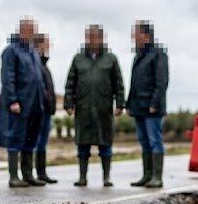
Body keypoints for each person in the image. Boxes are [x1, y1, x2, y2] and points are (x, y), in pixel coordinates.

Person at [64, 25, 125, 187]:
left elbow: (118, 83)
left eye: (95, 37)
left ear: (101, 39)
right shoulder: (78, 59)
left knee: (105, 144)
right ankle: (82, 177)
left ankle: (106, 177)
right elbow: (70, 83)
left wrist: (120, 103)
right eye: (89, 37)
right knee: (83, 144)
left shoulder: (110, 59)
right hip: (83, 108)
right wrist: (68, 103)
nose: (92, 40)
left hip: (103, 108)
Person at [0, 18, 46, 187]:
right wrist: (13, 100)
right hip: (19, 103)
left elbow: (38, 79)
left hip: (35, 103)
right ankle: (13, 176)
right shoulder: (11, 51)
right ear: (23, 31)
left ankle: (28, 175)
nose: (34, 33)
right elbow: (7, 77)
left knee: (30, 139)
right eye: (32, 30)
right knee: (15, 138)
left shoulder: (33, 52)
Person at [127, 20, 169, 188]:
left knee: (154, 141)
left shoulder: (158, 54)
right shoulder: (138, 55)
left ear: (145, 35)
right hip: (138, 107)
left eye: (135, 34)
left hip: (152, 108)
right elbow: (134, 82)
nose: (133, 37)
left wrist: (155, 103)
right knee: (144, 142)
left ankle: (157, 177)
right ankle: (147, 175)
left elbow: (162, 81)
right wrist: (129, 103)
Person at [33, 33, 58, 184]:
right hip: (39, 109)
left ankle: (42, 173)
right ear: (39, 45)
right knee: (36, 142)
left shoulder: (43, 64)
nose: (49, 47)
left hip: (47, 110)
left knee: (42, 142)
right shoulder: (35, 63)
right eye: (47, 44)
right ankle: (33, 174)